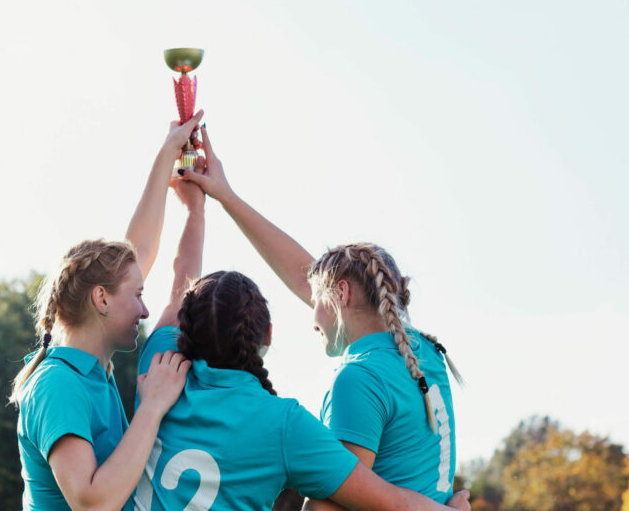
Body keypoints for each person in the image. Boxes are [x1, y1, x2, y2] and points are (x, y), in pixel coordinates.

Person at [132, 168, 469, 511]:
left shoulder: (360, 378)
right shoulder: (425, 353)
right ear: (266, 333)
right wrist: (225, 195)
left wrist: (203, 204)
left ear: (342, 294)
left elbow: (329, 507)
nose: (310, 308)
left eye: (315, 296)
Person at [10, 111, 203, 511]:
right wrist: (151, 407)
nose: (145, 310)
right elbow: (92, 504)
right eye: (137, 295)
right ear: (101, 300)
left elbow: (138, 253)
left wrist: (172, 162)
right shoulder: (58, 383)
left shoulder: (92, 371)